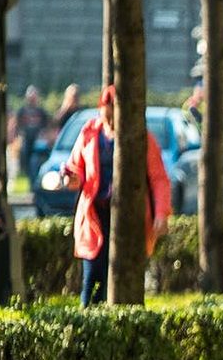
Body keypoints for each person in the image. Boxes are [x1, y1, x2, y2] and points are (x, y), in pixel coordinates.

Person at [69, 86, 171, 303]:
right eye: (107, 115)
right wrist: (71, 178)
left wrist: (161, 213)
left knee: (123, 274)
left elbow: (159, 178)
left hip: (129, 216)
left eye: (115, 114)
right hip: (95, 215)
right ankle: (88, 325)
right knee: (93, 276)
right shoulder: (89, 134)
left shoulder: (141, 138)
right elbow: (75, 167)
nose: (111, 122)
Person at [11, 87, 51, 192]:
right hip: (26, 141)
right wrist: (16, 137)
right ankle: (31, 185)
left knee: (36, 163)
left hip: (38, 143)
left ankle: (36, 185)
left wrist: (44, 135)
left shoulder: (41, 112)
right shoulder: (22, 111)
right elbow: (16, 125)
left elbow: (47, 126)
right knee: (27, 163)